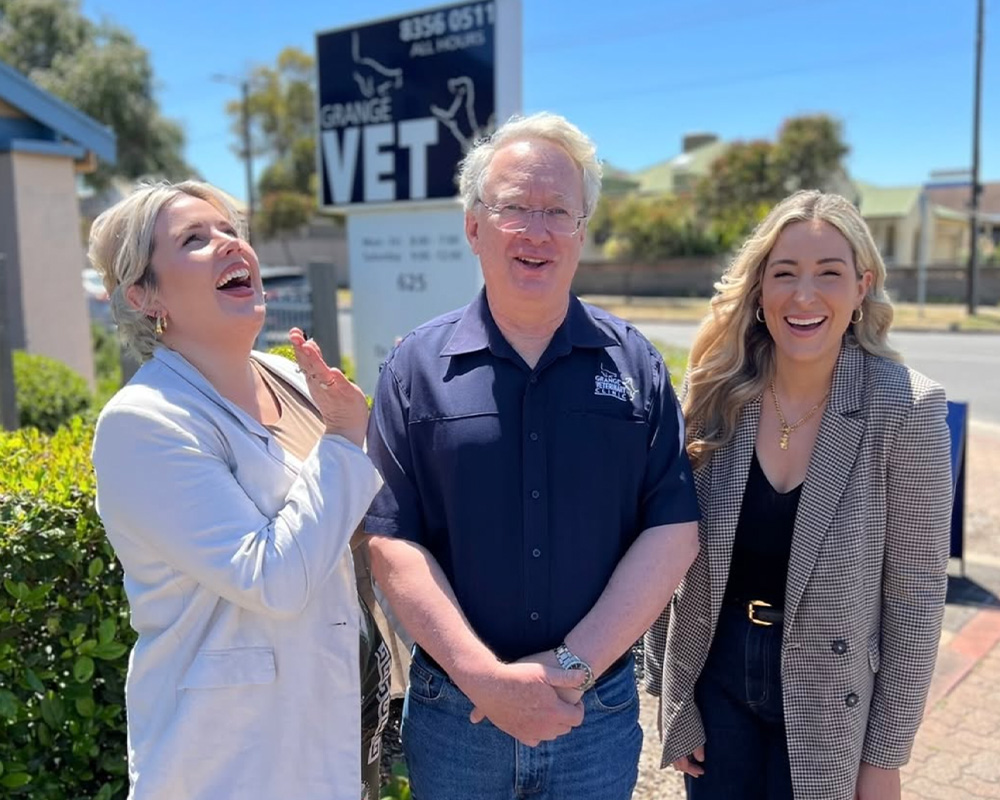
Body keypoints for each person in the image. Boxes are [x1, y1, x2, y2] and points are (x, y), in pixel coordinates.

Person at [363, 111, 701, 800]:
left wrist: (571, 666)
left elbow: (671, 529)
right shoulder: (414, 370)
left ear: (582, 230)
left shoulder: (636, 365)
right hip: (455, 715)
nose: (537, 231)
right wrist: (485, 678)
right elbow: (391, 539)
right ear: (474, 226)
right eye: (515, 207)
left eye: (559, 211)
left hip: (594, 716)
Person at [644, 190, 953, 800]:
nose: (804, 296)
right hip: (718, 673)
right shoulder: (714, 395)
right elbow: (667, 547)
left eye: (829, 274)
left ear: (863, 286)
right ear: (760, 289)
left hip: (830, 688)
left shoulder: (907, 408)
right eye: (784, 273)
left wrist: (886, 753)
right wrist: (670, 693)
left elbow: (916, 595)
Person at [88, 181, 384, 800]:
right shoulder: (143, 422)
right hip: (230, 760)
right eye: (195, 239)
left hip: (336, 723)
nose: (229, 246)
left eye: (231, 232)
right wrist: (344, 438)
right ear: (144, 295)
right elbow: (270, 577)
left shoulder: (287, 376)